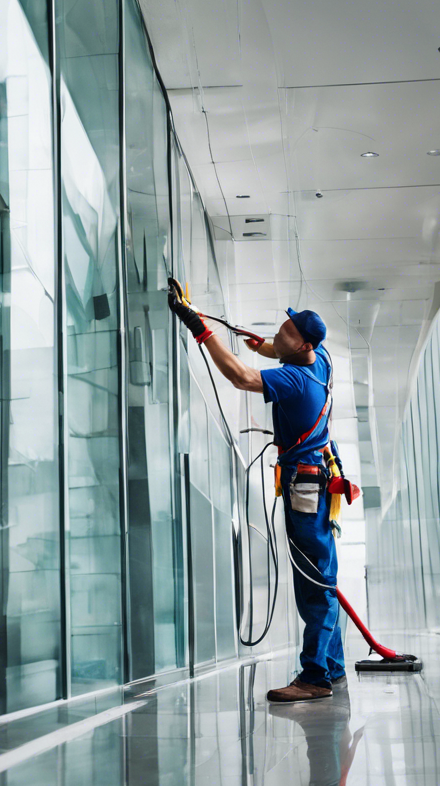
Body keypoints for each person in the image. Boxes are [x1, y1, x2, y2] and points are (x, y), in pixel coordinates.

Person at [168, 291, 354, 702]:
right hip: (314, 485)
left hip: (304, 491)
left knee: (315, 584)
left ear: (304, 345)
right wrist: (261, 345)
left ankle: (315, 677)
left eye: (289, 331)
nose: (280, 331)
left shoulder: (295, 381)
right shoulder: (319, 362)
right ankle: (333, 666)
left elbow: (240, 376)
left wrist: (198, 327)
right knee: (319, 579)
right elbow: (273, 351)